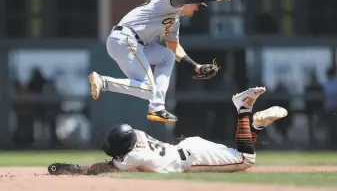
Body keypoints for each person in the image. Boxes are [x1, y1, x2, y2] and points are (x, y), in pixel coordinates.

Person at [48, 87, 288, 175]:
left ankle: (244, 108)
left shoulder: (134, 157)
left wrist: (73, 169)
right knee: (240, 151)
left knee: (245, 159)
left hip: (192, 159)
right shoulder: (137, 135)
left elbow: (102, 168)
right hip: (188, 148)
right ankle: (255, 126)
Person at [88, 0, 231, 123]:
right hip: (125, 39)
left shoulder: (175, 20)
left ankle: (157, 108)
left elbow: (174, 48)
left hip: (134, 43)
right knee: (148, 89)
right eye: (198, 4)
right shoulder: (168, 3)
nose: (198, 9)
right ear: (189, 1)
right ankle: (104, 82)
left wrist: (196, 67)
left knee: (167, 56)